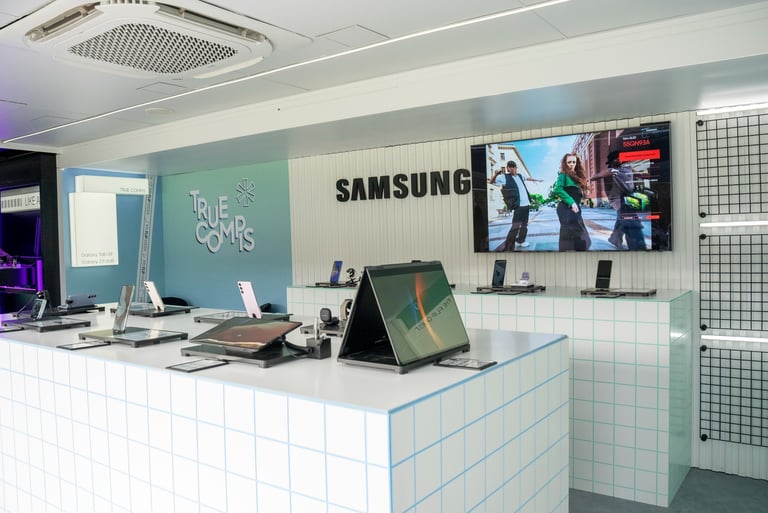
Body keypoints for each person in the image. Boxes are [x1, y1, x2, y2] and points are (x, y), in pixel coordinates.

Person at [592, 151, 646, 250]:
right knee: (629, 220)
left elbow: (638, 174)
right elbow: (593, 178)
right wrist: (604, 174)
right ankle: (637, 247)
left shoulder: (628, 168)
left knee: (622, 219)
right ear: (611, 161)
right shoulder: (611, 171)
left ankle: (615, 238)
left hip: (630, 197)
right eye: (616, 158)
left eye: (621, 157)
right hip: (617, 198)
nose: (619, 160)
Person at [488, 160, 543, 250]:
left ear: (516, 168)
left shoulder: (520, 176)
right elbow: (491, 182)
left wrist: (537, 180)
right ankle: (509, 245)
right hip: (518, 206)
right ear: (508, 168)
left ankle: (521, 240)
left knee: (524, 225)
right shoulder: (504, 177)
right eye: (510, 167)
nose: (512, 169)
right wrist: (496, 174)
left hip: (526, 204)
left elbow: (528, 178)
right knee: (515, 226)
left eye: (513, 167)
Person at [552, 153, 591, 251]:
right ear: (565, 163)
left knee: (577, 229)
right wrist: (572, 202)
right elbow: (558, 189)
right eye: (569, 162)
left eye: (574, 162)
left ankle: (577, 251)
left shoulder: (577, 175)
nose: (571, 164)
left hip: (575, 206)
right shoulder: (563, 174)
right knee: (570, 230)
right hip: (566, 207)